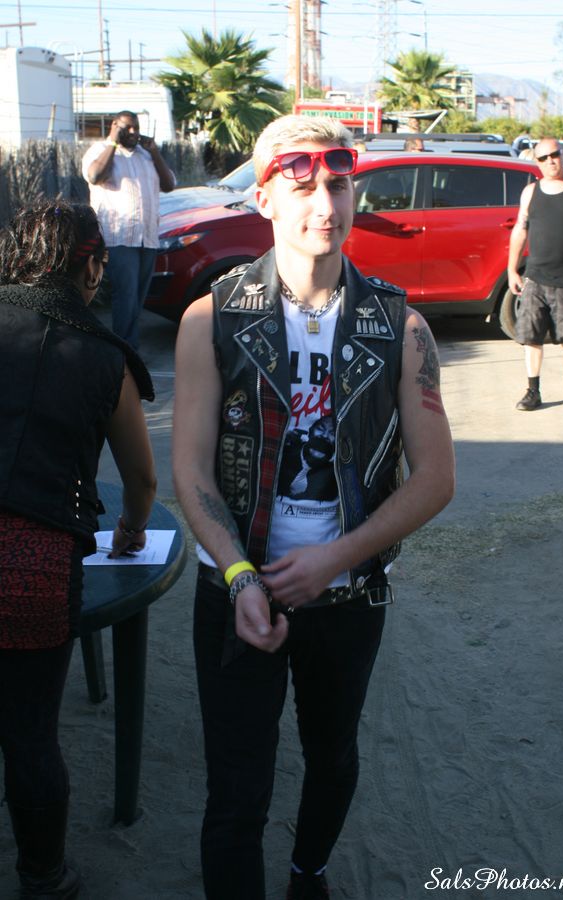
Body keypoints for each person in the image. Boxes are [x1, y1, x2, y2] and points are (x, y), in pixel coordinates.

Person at [172, 114, 455, 900]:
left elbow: (435, 478)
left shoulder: (399, 326)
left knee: (332, 754)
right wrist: (239, 574)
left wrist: (337, 557)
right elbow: (190, 468)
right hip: (236, 590)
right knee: (236, 789)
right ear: (264, 199)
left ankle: (309, 871)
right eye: (302, 187)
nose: (325, 205)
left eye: (339, 184)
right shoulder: (212, 319)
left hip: (348, 595)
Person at [0, 200, 157, 899]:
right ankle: (45, 877)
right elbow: (142, 479)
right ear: (90, 266)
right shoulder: (104, 357)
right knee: (30, 736)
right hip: (33, 566)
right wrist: (129, 529)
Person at [507, 136, 563, 410]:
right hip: (535, 276)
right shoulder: (530, 192)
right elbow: (520, 229)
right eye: (543, 158)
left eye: (554, 155)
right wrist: (511, 269)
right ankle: (532, 390)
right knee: (531, 334)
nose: (550, 161)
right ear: (536, 162)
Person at [82, 110, 176, 350]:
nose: (133, 132)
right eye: (127, 128)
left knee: (137, 297)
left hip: (147, 237)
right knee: (125, 295)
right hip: (119, 237)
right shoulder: (100, 151)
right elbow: (95, 176)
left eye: (136, 127)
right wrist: (113, 143)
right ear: (115, 126)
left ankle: (125, 347)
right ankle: (125, 351)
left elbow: (169, 185)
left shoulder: (146, 155)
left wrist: (154, 152)